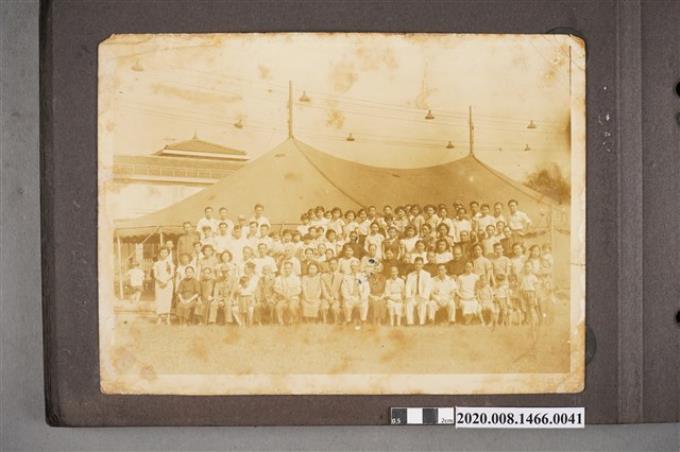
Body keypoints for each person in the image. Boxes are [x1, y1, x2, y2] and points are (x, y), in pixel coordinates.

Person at [340, 260, 370, 329]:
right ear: (350, 267)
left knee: (365, 303)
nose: (354, 268)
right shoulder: (346, 277)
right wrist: (348, 297)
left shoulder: (363, 277)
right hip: (350, 297)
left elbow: (367, 289)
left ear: (358, 267)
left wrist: (363, 297)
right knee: (346, 303)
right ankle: (348, 320)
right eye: (353, 266)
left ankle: (363, 320)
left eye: (356, 266)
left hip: (360, 297)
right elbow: (343, 289)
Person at [404, 257, 432, 326]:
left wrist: (424, 296)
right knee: (408, 303)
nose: (418, 266)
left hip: (422, 296)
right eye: (416, 264)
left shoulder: (427, 275)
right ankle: (410, 323)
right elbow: (408, 287)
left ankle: (422, 323)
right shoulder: (410, 275)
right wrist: (408, 296)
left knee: (422, 304)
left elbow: (428, 287)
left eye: (419, 264)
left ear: (423, 265)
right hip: (413, 296)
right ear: (414, 264)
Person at [274, 261, 302, 325]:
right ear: (283, 269)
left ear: (292, 269)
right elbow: (275, 288)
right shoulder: (279, 278)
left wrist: (290, 295)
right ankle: (281, 322)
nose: (287, 270)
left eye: (289, 268)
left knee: (291, 307)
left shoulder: (296, 278)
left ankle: (294, 319)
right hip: (283, 297)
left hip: (293, 297)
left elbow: (299, 290)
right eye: (285, 268)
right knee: (278, 307)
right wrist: (283, 294)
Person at [152, 247, 174, 325]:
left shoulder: (170, 263)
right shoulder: (156, 263)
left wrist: (166, 281)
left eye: (165, 252)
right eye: (162, 252)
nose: (164, 254)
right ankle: (159, 318)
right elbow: (155, 275)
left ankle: (168, 318)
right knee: (159, 300)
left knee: (167, 300)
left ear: (168, 254)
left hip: (168, 283)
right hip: (159, 283)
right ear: (159, 253)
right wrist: (161, 281)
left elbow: (172, 274)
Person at [320, 258, 343, 324]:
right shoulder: (323, 276)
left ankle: (336, 321)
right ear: (328, 265)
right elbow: (323, 289)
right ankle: (324, 321)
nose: (333, 265)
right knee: (324, 307)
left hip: (336, 297)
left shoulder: (341, 276)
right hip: (326, 297)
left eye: (334, 264)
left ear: (337, 265)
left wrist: (335, 297)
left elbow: (341, 290)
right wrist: (328, 298)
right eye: (331, 264)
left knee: (335, 308)